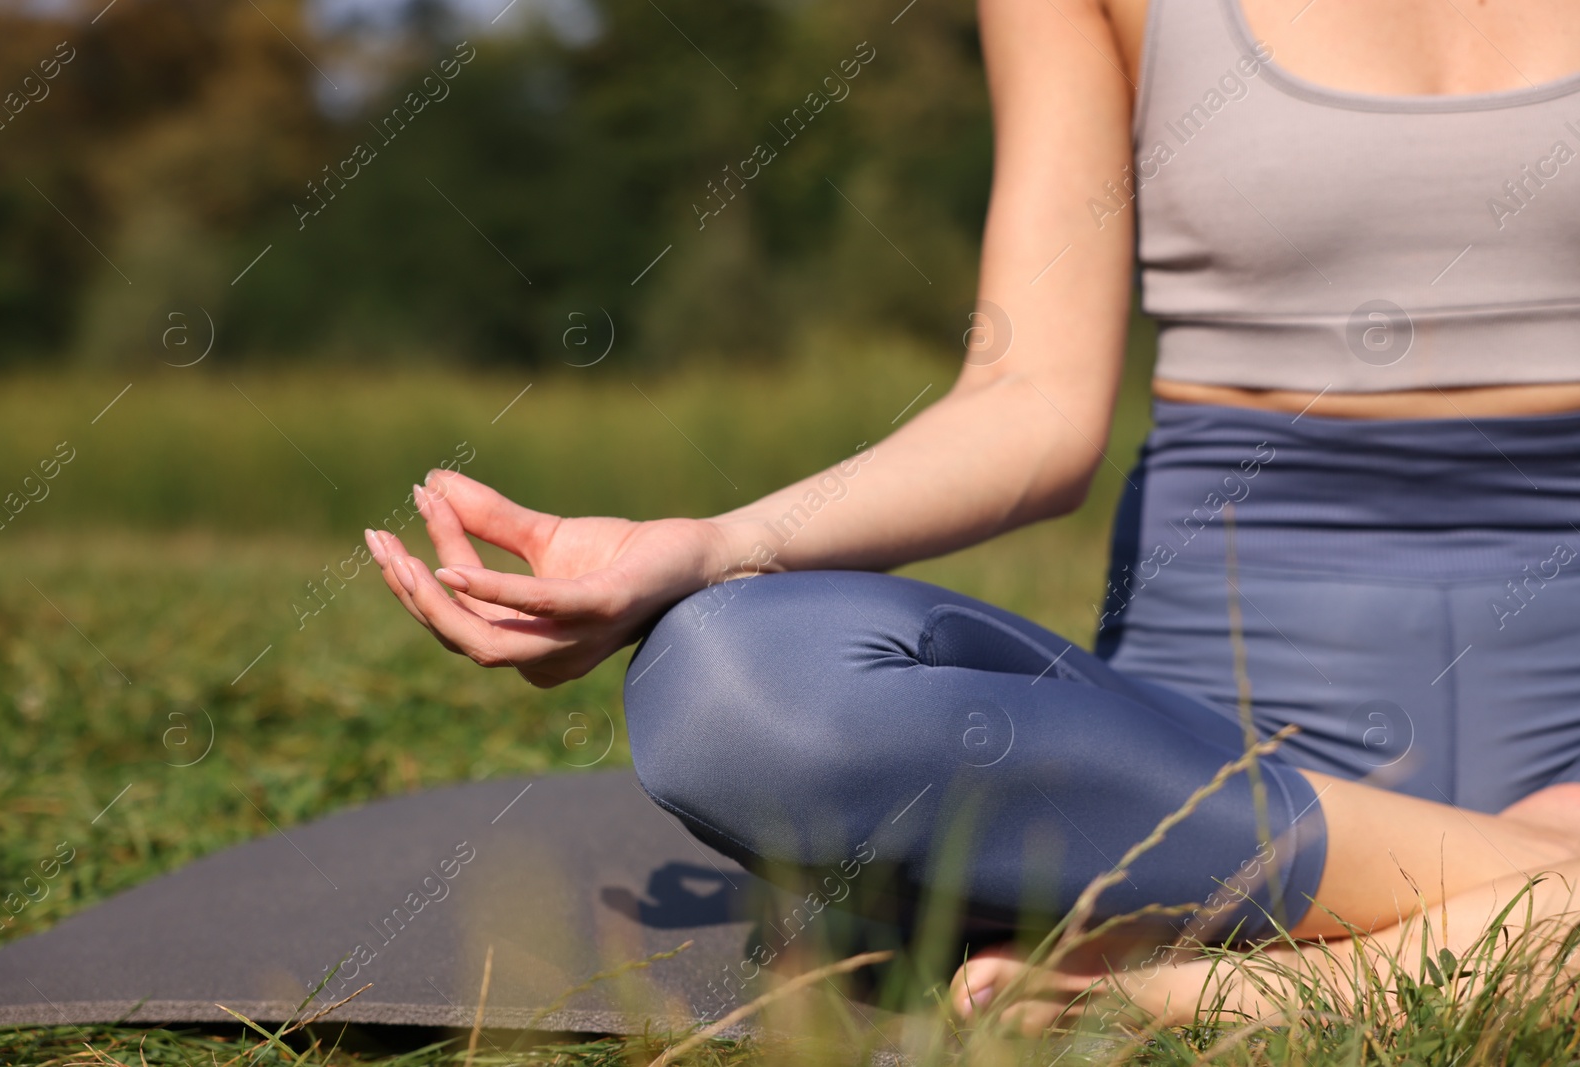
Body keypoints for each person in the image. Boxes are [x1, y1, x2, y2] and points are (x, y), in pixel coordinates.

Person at [368, 0, 1580, 1034]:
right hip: (1187, 768)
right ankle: (1526, 911)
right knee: (731, 686)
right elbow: (1031, 403)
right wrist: (710, 545)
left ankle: (1249, 988)